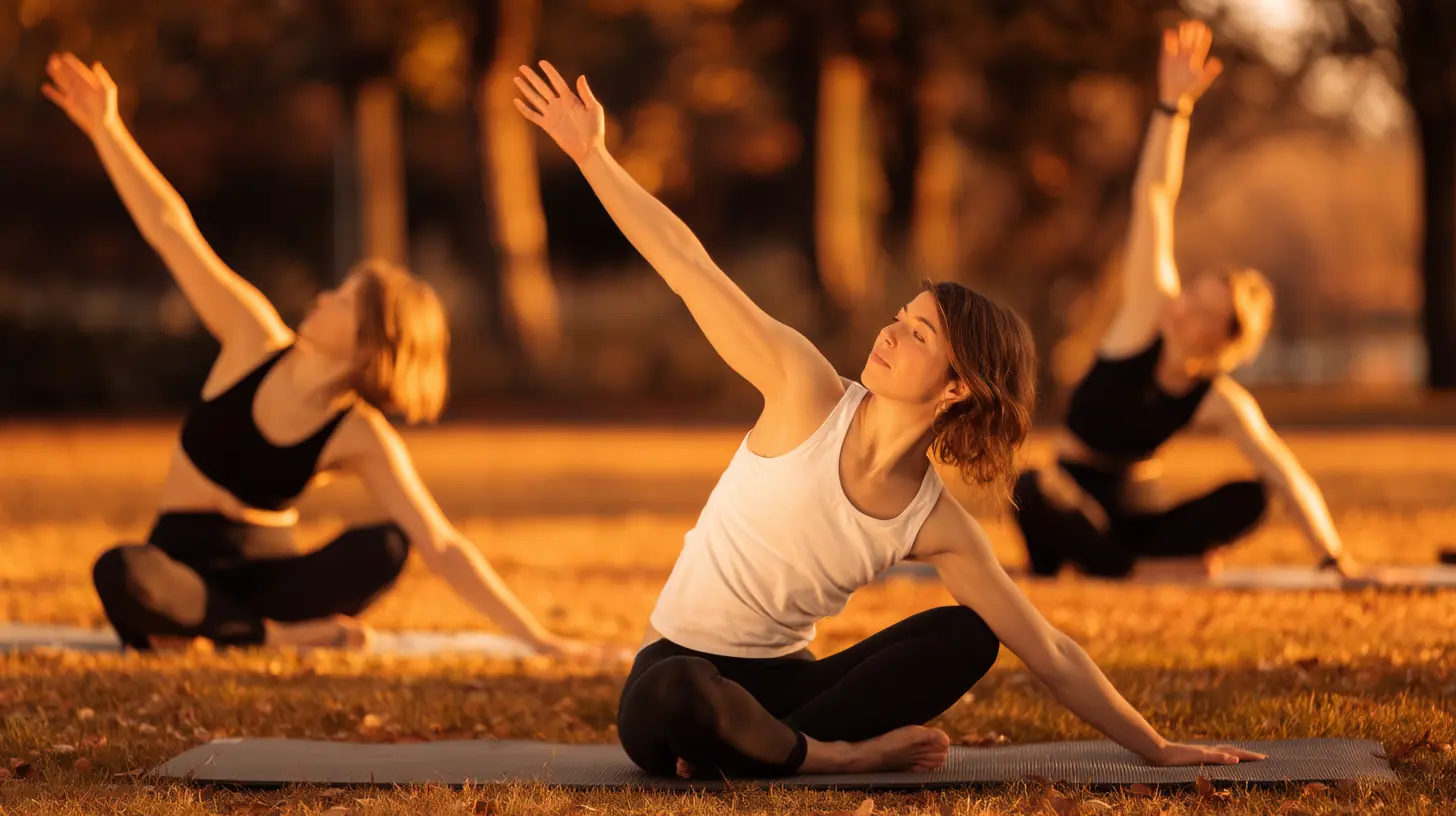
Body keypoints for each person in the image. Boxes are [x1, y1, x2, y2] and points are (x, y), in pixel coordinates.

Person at [513, 59, 1266, 778]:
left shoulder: (932, 520)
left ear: (956, 389)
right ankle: (832, 758)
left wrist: (1155, 746)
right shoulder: (805, 389)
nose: (891, 331)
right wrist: (593, 157)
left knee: (972, 633)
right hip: (677, 673)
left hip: (791, 692)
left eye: (920, 334)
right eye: (901, 315)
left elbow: (1048, 650)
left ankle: (765, 750)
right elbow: (689, 269)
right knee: (675, 692)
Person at [45, 53, 611, 658]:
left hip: (272, 580)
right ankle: (270, 638)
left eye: (342, 300)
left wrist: (544, 641)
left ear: (371, 343)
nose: (322, 296)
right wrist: (107, 128)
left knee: (389, 545)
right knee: (121, 571)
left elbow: (441, 546)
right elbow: (170, 228)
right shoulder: (251, 335)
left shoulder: (359, 434)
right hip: (177, 565)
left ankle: (226, 630)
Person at [1010, 21, 1359, 581]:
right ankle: (1139, 570)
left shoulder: (1217, 398)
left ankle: (1126, 562)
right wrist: (1173, 108)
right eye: (1191, 295)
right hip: (1072, 500)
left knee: (1252, 495)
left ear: (1221, 343)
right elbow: (1154, 196)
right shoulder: (1146, 313)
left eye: (1202, 313)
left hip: (1139, 513)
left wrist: (1334, 559)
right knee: (1032, 487)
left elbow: (1282, 472)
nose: (1181, 309)